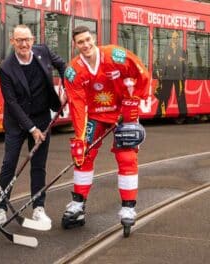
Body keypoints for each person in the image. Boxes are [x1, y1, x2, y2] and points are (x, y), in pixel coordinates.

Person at [61, 26, 149, 231]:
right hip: (95, 115)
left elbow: (141, 72)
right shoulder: (73, 71)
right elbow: (77, 105)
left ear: (93, 39)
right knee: (83, 156)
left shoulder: (115, 55)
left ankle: (128, 208)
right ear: (75, 45)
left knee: (127, 157)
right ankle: (78, 204)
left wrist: (134, 100)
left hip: (122, 111)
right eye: (80, 42)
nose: (86, 45)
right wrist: (80, 138)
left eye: (88, 40)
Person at [0, 24, 66, 227]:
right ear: (13, 41)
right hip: (17, 122)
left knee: (38, 165)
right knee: (9, 164)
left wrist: (68, 87)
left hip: (42, 117)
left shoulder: (43, 52)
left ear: (33, 40)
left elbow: (65, 67)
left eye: (27, 39)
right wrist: (32, 129)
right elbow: (11, 103)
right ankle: (0, 208)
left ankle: (38, 208)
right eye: (19, 40)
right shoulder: (6, 67)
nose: (24, 44)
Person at [155, 30, 188, 119]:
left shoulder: (182, 50)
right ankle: (159, 113)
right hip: (167, 76)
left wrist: (184, 75)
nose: (175, 39)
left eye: (177, 38)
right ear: (171, 39)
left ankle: (183, 114)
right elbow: (162, 62)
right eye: (173, 38)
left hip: (179, 76)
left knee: (181, 96)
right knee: (164, 95)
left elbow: (185, 63)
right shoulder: (166, 49)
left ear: (178, 39)